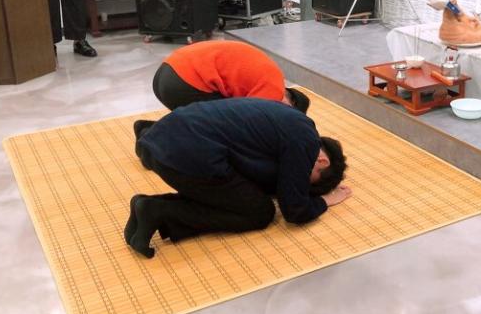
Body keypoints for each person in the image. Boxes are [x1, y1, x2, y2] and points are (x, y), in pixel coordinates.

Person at [126, 98, 352, 258]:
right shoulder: (305, 140)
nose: (299, 178)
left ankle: (148, 208)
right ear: (323, 161)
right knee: (259, 212)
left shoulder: (291, 122)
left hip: (164, 140)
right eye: (307, 178)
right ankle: (160, 212)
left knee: (241, 196)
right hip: (187, 153)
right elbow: (294, 210)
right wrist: (324, 201)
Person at [153, 40, 310, 112]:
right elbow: (250, 123)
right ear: (290, 104)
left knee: (196, 125)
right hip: (185, 82)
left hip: (168, 70)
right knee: (222, 131)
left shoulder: (269, 76)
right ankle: (151, 144)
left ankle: (150, 132)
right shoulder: (274, 91)